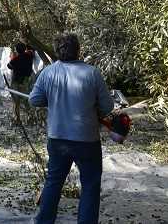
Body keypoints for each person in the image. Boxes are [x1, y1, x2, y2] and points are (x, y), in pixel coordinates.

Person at [29, 32, 115, 224]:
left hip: (58, 138)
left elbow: (34, 100)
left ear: (57, 50)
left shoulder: (48, 72)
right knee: (90, 185)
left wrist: (51, 99)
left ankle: (44, 221)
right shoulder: (92, 73)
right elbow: (108, 106)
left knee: (54, 182)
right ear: (78, 50)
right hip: (87, 140)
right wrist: (95, 109)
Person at [7, 41, 35, 123]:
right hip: (26, 81)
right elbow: (31, 51)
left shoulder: (15, 59)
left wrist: (13, 56)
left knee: (16, 102)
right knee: (26, 100)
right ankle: (30, 117)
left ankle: (18, 119)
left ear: (17, 50)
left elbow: (9, 66)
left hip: (16, 82)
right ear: (24, 49)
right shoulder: (29, 56)